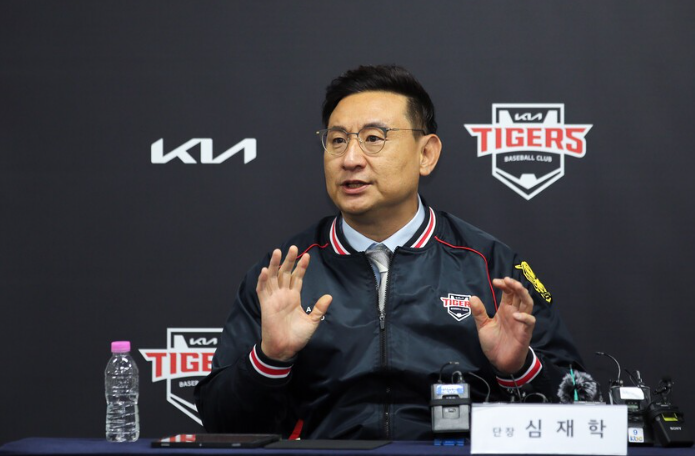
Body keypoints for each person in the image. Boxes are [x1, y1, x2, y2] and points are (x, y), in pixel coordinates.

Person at [195, 64, 593, 440]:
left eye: (373, 138)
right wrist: (270, 360)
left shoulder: (491, 266)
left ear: (426, 154)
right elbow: (221, 426)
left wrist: (520, 368)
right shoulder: (285, 275)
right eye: (337, 140)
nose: (350, 159)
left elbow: (581, 403)